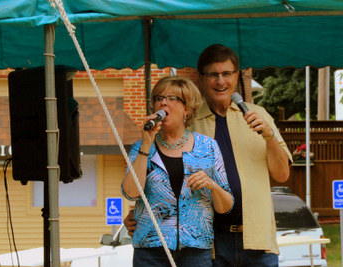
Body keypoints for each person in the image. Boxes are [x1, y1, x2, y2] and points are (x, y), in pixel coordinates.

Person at [124, 44, 292, 266]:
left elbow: (282, 175)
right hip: (211, 242)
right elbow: (160, 174)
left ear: (236, 77)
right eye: (213, 75)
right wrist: (141, 213)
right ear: (201, 79)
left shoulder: (259, 116)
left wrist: (270, 137)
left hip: (257, 239)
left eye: (226, 74)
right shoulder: (186, 122)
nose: (220, 81)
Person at [121, 76, 234, 267]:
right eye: (158, 97)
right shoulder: (141, 146)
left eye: (172, 98)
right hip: (150, 249)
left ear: (187, 109)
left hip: (195, 249)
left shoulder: (207, 147)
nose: (163, 102)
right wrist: (146, 145)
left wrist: (212, 185)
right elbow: (130, 193)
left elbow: (226, 206)